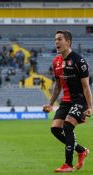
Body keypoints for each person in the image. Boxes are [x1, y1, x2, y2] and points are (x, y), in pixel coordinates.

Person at [42, 30, 92, 172]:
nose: (56, 42)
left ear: (68, 42)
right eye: (55, 40)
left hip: (80, 100)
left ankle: (68, 165)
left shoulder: (79, 61)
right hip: (66, 100)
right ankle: (81, 151)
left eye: (59, 39)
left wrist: (90, 107)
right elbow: (57, 86)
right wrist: (50, 104)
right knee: (55, 129)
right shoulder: (56, 62)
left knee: (68, 126)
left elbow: (86, 87)